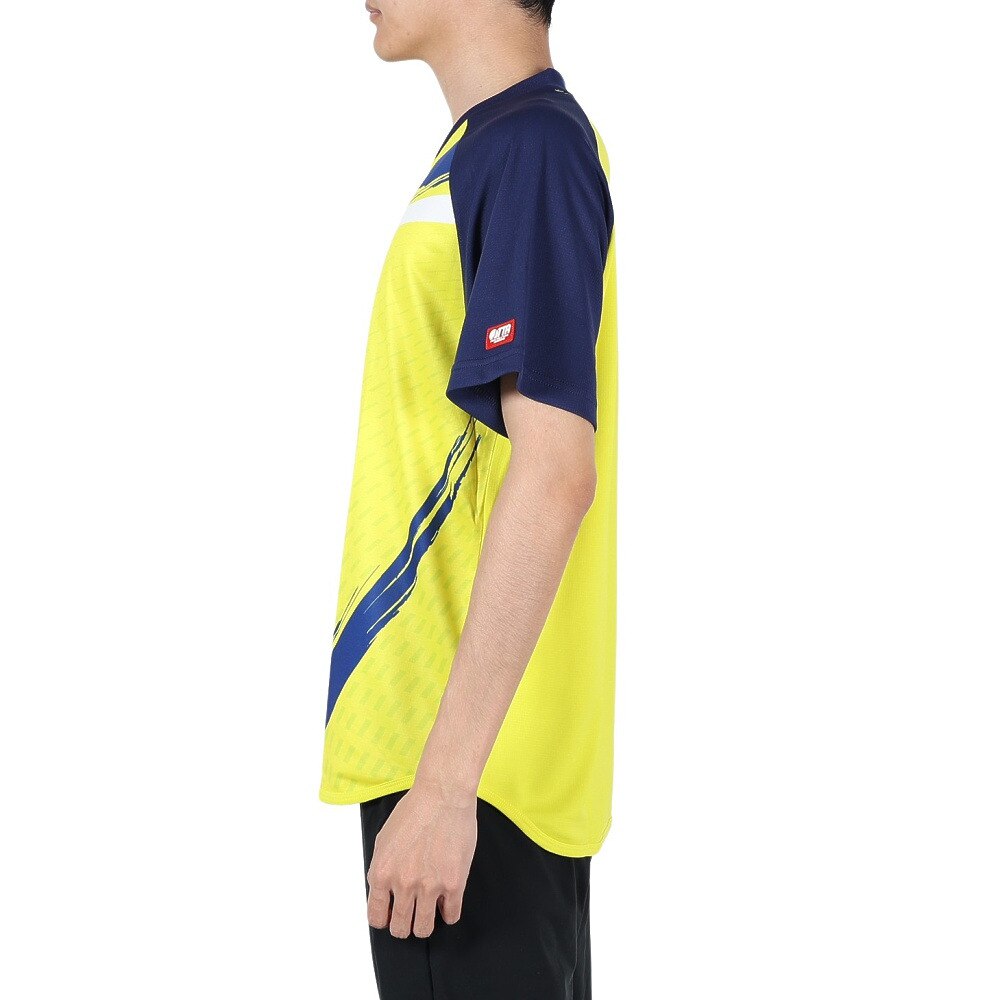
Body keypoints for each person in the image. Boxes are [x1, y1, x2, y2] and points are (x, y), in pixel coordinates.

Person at [320, 1, 617, 996]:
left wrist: (446, 787)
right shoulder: (489, 149)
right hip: (456, 760)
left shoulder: (529, 146)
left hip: (472, 776)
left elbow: (555, 471)